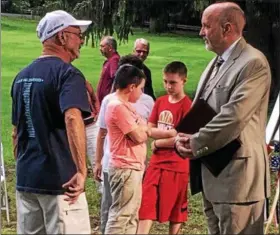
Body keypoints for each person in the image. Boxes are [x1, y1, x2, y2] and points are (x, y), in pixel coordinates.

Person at [175, 2, 271, 234]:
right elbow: (203, 107)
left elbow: (233, 117)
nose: (201, 32)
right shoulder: (217, 61)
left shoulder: (253, 63)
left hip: (238, 183)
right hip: (212, 176)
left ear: (227, 29)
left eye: (206, 26)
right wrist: (182, 137)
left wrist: (195, 142)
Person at [11, 10, 92, 234]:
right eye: (77, 33)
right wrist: (81, 170)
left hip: (27, 179)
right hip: (62, 182)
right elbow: (73, 117)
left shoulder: (21, 76)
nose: (82, 39)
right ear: (62, 37)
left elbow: (16, 132)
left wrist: (25, 168)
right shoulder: (68, 74)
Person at [94, 55, 154, 234]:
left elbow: (146, 129)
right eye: (141, 88)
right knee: (118, 215)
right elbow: (138, 136)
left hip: (134, 166)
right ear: (132, 86)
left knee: (131, 214)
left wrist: (145, 130)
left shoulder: (134, 104)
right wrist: (144, 130)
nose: (142, 92)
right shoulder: (116, 105)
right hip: (123, 166)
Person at [137, 61, 192, 234]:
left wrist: (158, 142)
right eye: (165, 82)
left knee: (176, 207)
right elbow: (149, 128)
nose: (168, 86)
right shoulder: (160, 101)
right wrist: (170, 135)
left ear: (184, 81)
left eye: (173, 82)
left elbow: (182, 137)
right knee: (146, 203)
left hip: (177, 164)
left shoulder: (187, 105)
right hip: (156, 163)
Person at [84, 80, 101, 192]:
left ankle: (102, 190)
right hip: (70, 128)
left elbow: (94, 97)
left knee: (96, 158)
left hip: (90, 125)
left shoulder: (80, 79)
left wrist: (97, 112)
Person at [96, 36, 120, 104]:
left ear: (110, 48)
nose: (100, 49)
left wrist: (110, 99)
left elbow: (116, 79)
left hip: (107, 102)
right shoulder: (110, 60)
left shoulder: (114, 60)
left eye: (102, 46)